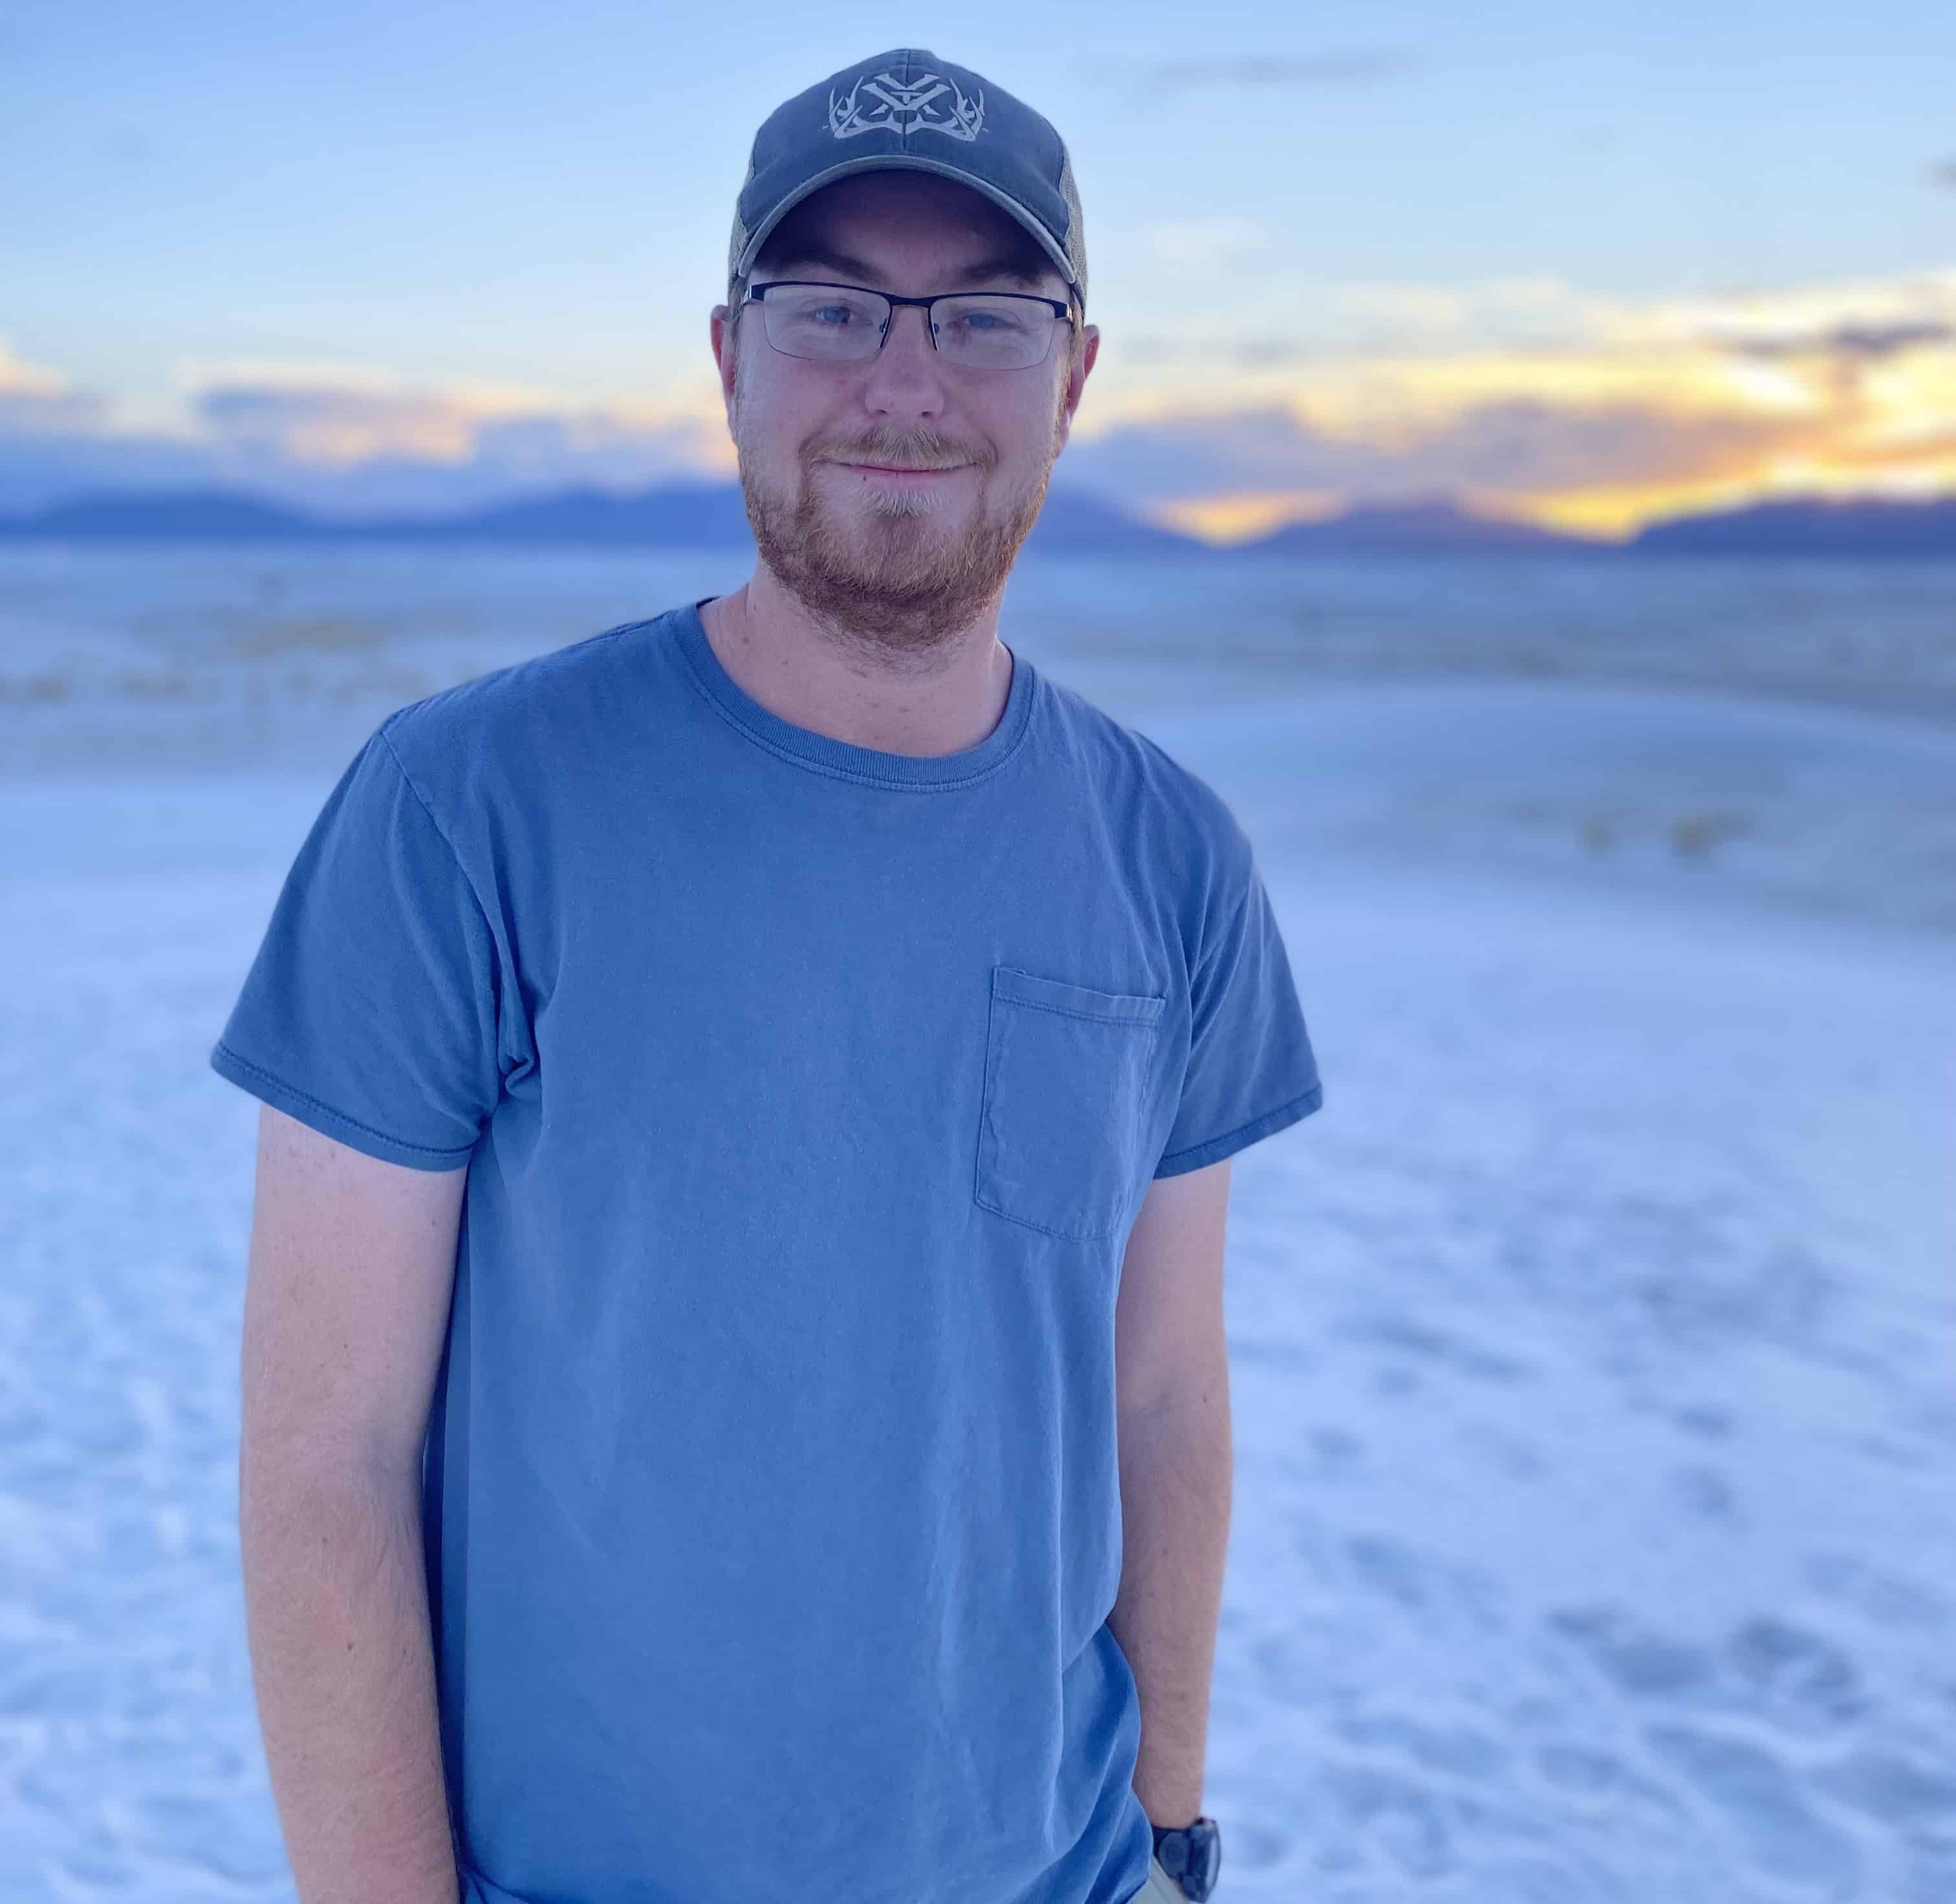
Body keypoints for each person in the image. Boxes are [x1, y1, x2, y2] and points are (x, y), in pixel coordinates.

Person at [210, 46, 1321, 1904]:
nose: (904, 382)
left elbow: (1161, 1402)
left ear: (1079, 374)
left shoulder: (1173, 856)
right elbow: (330, 1456)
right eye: (831, 309)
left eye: (983, 315)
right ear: (729, 358)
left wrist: (1173, 1837)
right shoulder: (468, 807)